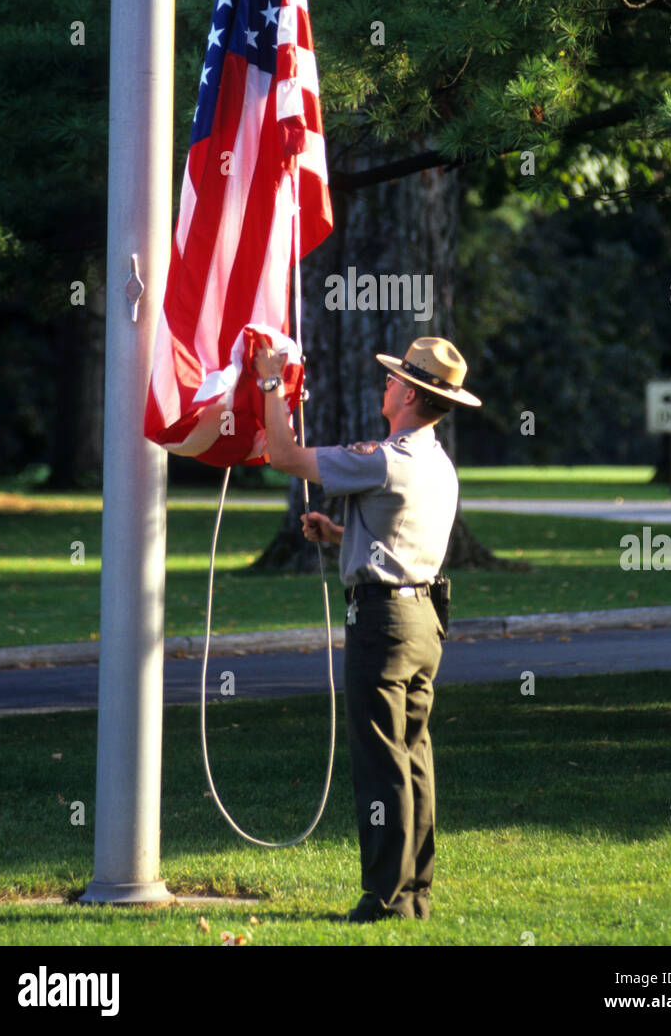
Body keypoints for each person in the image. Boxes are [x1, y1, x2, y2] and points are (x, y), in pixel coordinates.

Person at [253, 335, 481, 923]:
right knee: (413, 756)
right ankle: (415, 892)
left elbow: (284, 456)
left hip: (383, 621)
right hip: (425, 617)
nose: (386, 383)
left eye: (394, 378)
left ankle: (384, 898)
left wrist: (271, 383)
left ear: (409, 393)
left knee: (381, 761)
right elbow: (401, 532)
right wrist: (338, 534)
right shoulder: (437, 462)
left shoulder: (386, 457)